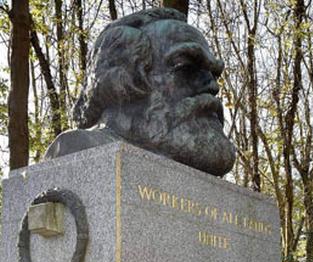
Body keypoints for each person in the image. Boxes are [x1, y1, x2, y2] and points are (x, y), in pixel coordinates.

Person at [44, 8, 236, 177]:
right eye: (186, 67)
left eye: (213, 73)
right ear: (123, 80)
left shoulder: (190, 165)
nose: (213, 86)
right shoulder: (77, 149)